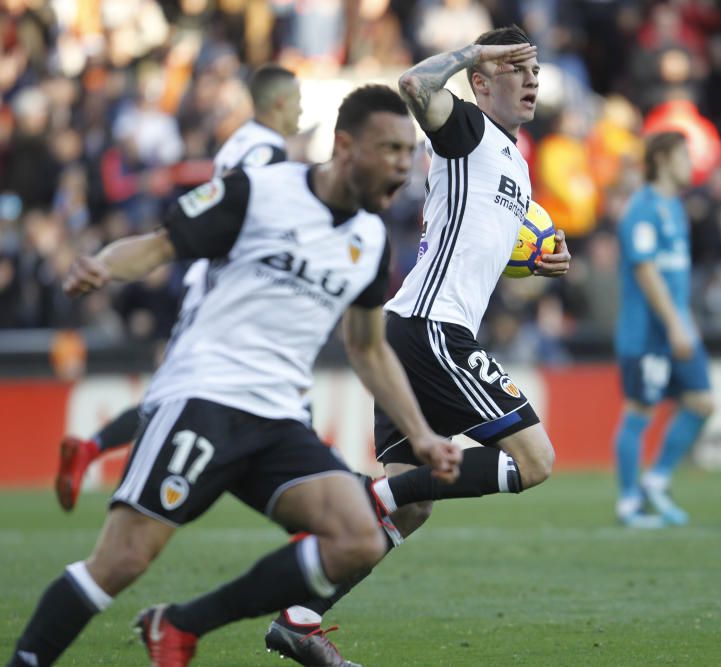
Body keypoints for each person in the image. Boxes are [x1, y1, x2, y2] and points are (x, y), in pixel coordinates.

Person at [7, 85, 462, 667]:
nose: (403, 163)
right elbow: (160, 246)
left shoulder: (370, 242)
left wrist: (420, 435)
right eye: (390, 148)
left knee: (357, 537)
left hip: (277, 417)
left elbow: (368, 349)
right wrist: (104, 266)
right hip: (204, 396)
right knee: (120, 562)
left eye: (409, 150)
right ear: (345, 147)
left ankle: (181, 624)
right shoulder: (261, 191)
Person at [263, 25, 573, 665]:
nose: (533, 79)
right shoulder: (467, 129)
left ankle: (298, 621)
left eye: (535, 68)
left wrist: (535, 261)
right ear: (483, 82)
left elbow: (479, 240)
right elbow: (413, 85)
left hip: (415, 328)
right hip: (434, 328)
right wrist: (469, 56)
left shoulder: (513, 158)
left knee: (413, 507)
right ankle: (366, 496)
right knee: (534, 460)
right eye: (517, 68)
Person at [55, 64, 303, 512]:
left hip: (211, 282)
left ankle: (91, 448)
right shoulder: (265, 153)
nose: (303, 108)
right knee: (206, 394)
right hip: (232, 291)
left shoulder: (240, 142)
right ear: (280, 103)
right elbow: (242, 211)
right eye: (298, 99)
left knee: (176, 390)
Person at [613, 131, 715, 528]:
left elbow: (675, 277)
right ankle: (628, 504)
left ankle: (656, 480)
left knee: (702, 403)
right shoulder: (642, 208)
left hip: (678, 326)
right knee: (639, 412)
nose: (691, 164)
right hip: (647, 333)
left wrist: (686, 321)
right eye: (684, 156)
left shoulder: (675, 206)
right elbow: (645, 270)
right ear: (664, 159)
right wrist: (675, 323)